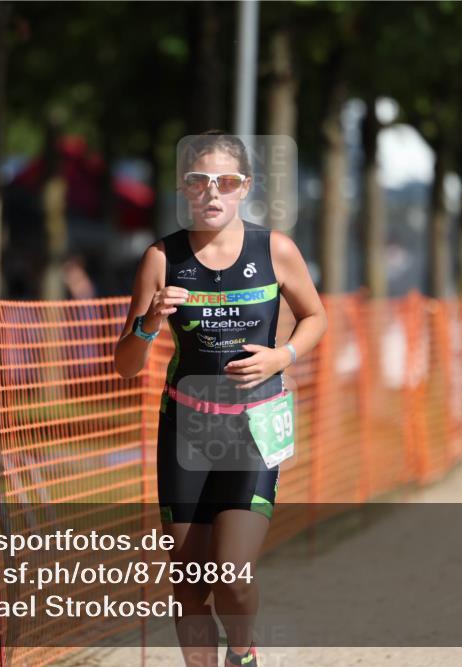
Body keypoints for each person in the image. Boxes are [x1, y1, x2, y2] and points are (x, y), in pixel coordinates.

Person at [114, 132, 327, 667]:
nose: (213, 193)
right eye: (199, 181)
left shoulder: (275, 249)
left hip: (254, 426)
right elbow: (125, 365)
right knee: (189, 586)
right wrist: (149, 323)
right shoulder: (161, 258)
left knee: (231, 574)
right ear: (184, 189)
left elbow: (316, 315)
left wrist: (284, 357)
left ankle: (244, 651)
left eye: (226, 182)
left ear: (244, 188)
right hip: (188, 430)